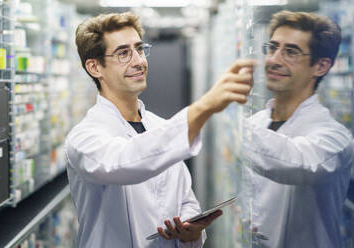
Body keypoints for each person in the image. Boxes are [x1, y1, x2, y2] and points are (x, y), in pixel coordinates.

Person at [65, 12, 255, 247]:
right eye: (124, 53)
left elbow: (186, 201)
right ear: (95, 67)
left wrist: (191, 232)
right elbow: (125, 161)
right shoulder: (83, 138)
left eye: (140, 49)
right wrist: (205, 106)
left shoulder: (161, 127)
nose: (138, 61)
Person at [242, 10, 354, 248]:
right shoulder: (255, 124)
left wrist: (226, 115)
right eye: (272, 48)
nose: (274, 59)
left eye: (290, 52)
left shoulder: (335, 138)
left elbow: (297, 163)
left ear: (321, 66)